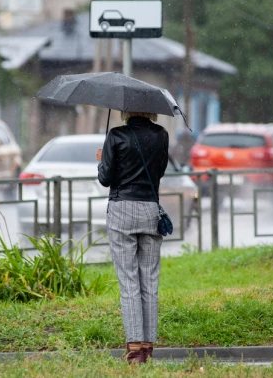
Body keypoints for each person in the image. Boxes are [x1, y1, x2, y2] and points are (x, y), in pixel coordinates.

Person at [96, 111, 169, 364]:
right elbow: (158, 173)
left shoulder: (116, 135)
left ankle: (135, 349)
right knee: (149, 279)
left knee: (129, 280)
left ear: (125, 111)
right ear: (152, 110)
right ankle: (147, 347)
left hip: (122, 209)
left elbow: (105, 179)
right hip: (150, 209)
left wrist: (101, 161)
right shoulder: (161, 135)